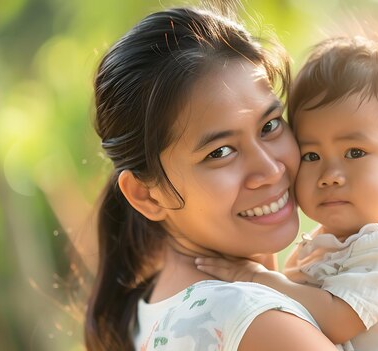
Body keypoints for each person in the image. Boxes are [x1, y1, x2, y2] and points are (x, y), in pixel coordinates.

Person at [84, 5, 341, 351]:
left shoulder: (154, 307)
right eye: (220, 152)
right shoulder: (258, 323)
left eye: (269, 126)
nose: (270, 169)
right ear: (147, 195)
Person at [196, 35, 378, 350]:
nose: (330, 176)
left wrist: (254, 276)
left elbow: (336, 320)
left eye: (355, 153)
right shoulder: (319, 248)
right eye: (311, 156)